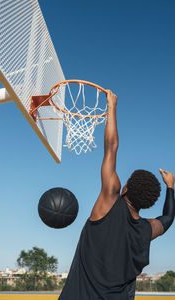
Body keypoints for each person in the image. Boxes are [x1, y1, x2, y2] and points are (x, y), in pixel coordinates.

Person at [59, 90, 175, 300]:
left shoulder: (109, 202)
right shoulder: (147, 230)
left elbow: (111, 148)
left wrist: (111, 107)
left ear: (126, 189)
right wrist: (171, 188)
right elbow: (167, 218)